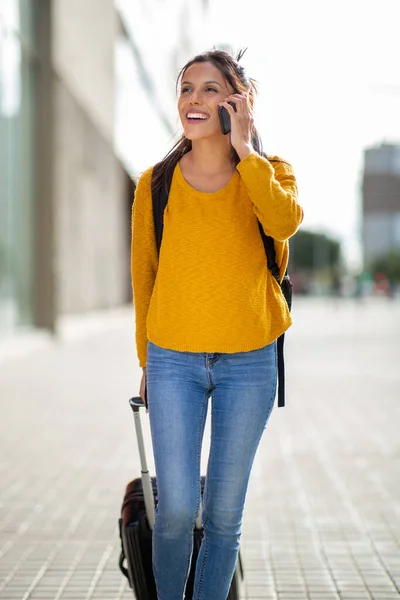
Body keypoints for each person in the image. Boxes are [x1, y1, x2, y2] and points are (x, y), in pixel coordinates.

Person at [131, 48, 303, 600]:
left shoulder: (270, 174)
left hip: (249, 364)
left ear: (238, 102)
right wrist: (145, 364)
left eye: (211, 89)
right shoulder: (154, 185)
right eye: (186, 89)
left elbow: (284, 222)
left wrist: (246, 150)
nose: (195, 100)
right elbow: (145, 282)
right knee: (177, 509)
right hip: (173, 361)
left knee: (224, 516)